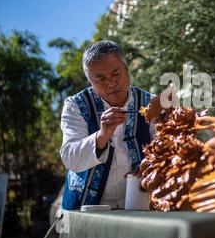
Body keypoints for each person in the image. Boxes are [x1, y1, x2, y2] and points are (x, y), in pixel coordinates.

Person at [60, 40, 162, 210]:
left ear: (127, 70)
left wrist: (152, 165)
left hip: (140, 205)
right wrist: (102, 136)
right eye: (100, 78)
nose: (111, 83)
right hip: (87, 208)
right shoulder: (76, 105)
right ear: (90, 82)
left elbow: (165, 148)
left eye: (116, 74)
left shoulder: (150, 103)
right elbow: (69, 157)